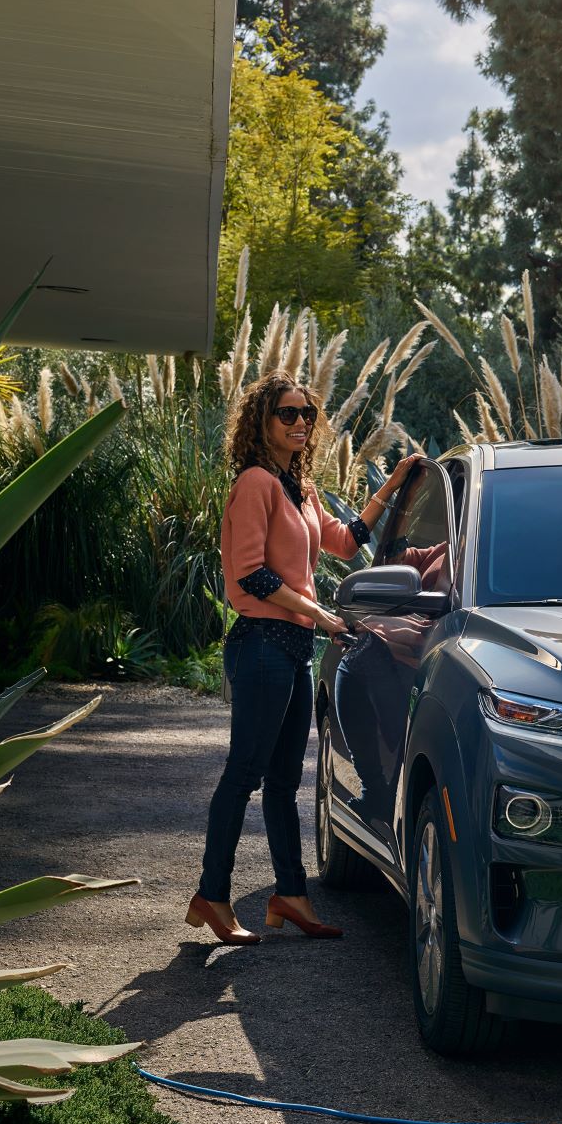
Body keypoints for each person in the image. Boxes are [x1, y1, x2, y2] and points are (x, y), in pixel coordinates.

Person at [186, 372, 426, 945]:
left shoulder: (300, 488)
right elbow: (251, 574)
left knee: (284, 781)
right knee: (244, 773)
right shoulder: (255, 483)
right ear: (262, 423)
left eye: (307, 415)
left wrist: (393, 482)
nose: (299, 424)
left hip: (292, 650)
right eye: (287, 414)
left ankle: (290, 896)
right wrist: (319, 614)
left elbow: (346, 541)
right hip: (263, 643)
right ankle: (212, 895)